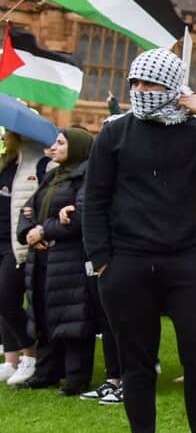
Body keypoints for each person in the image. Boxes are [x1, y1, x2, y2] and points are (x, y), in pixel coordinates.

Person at [84, 48, 196, 433]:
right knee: (137, 363)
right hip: (127, 261)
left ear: (173, 86)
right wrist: (102, 261)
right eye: (136, 82)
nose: (141, 90)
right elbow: (95, 198)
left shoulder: (195, 130)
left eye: (151, 83)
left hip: (185, 258)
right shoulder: (114, 132)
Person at [15, 127, 95, 394]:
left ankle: (76, 377)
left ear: (77, 146)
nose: (54, 148)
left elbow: (80, 216)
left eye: (61, 143)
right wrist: (29, 233)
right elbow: (28, 209)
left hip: (69, 258)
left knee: (72, 316)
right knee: (43, 313)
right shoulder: (52, 175)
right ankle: (46, 372)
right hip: (42, 257)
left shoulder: (85, 177)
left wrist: (44, 230)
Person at [0, 131, 45, 386]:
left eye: (8, 134)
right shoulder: (6, 163)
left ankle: (31, 353)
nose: (4, 137)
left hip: (16, 244)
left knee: (6, 298)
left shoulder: (37, 164)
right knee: (4, 303)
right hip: (0, 239)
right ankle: (11, 360)